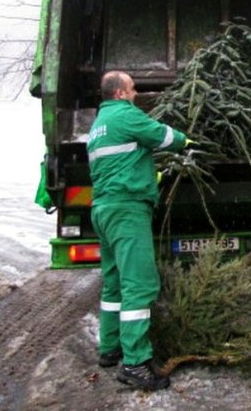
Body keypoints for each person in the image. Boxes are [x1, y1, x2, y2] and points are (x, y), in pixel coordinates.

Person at [87, 70, 188, 391]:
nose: (135, 94)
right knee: (139, 285)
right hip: (127, 211)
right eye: (131, 89)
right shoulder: (125, 115)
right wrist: (187, 139)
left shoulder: (98, 126)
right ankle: (136, 364)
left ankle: (110, 348)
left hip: (104, 209)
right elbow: (164, 137)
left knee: (114, 283)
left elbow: (124, 160)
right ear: (119, 93)